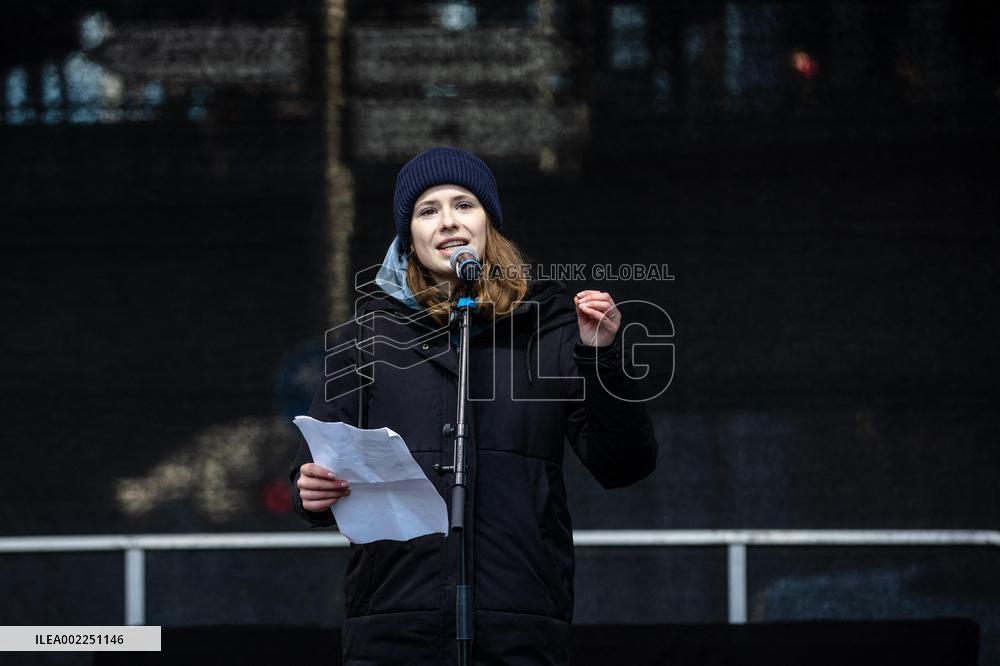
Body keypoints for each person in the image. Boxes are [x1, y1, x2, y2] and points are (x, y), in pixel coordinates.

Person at [291, 146, 658, 665]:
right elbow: (322, 468)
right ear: (409, 238)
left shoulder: (548, 329)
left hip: (518, 618)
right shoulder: (364, 338)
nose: (447, 222)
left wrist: (601, 356)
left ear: (489, 224)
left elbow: (624, 464)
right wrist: (309, 491)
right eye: (427, 210)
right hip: (396, 620)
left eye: (464, 204)